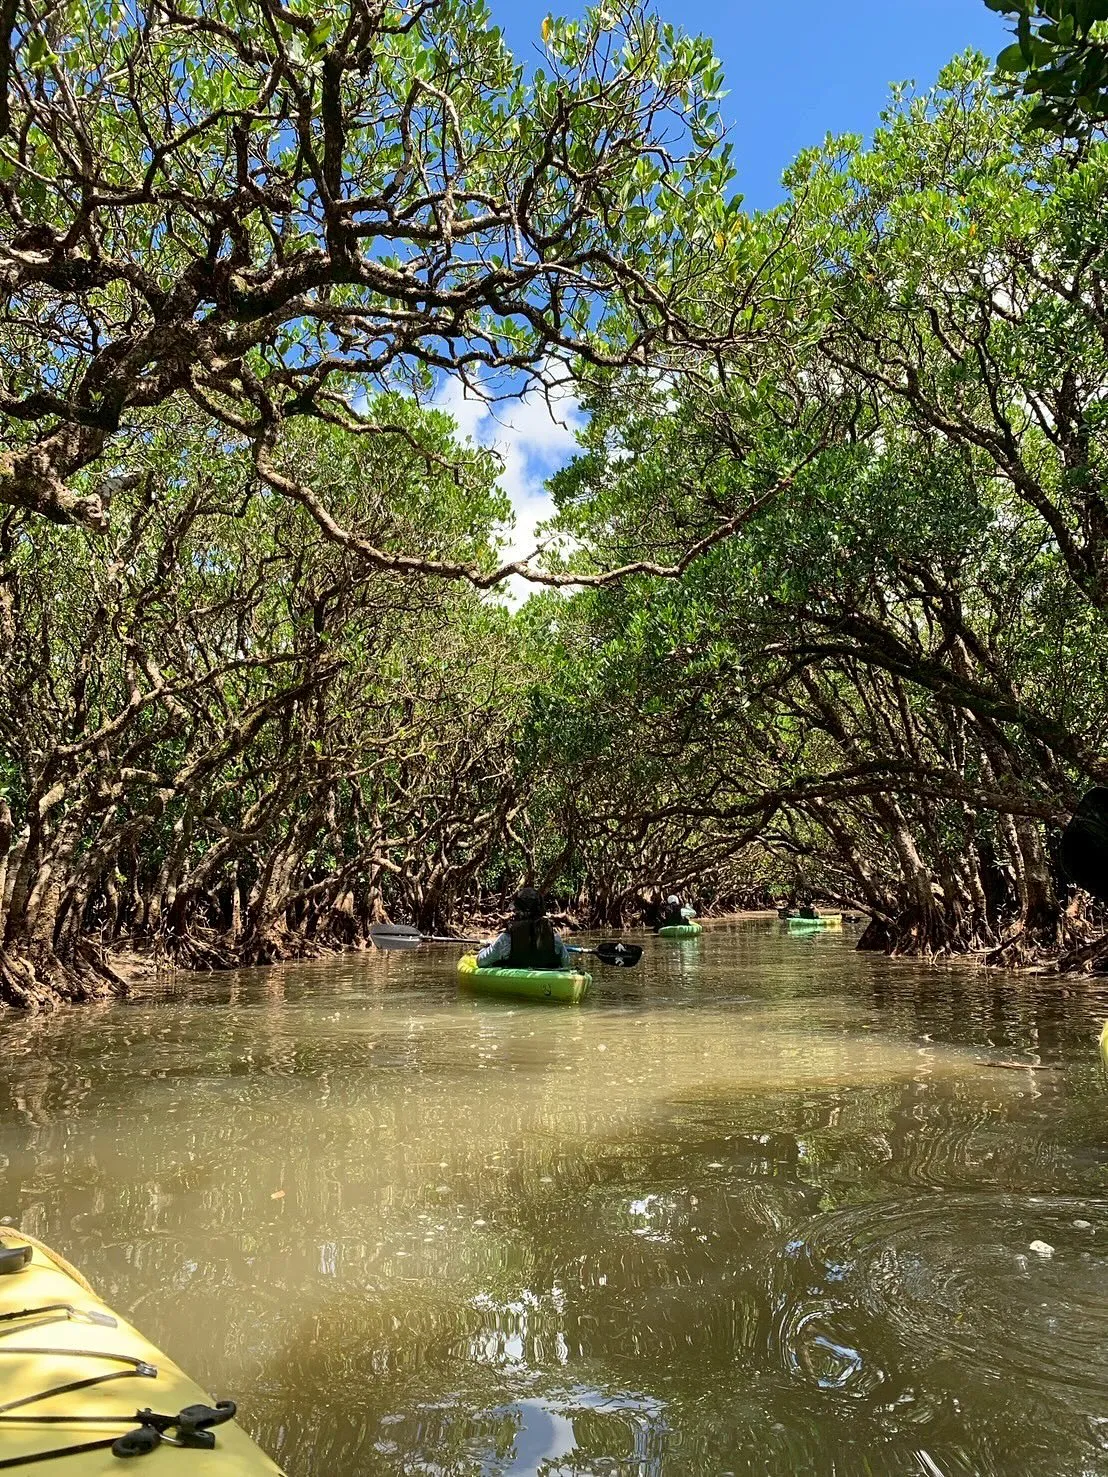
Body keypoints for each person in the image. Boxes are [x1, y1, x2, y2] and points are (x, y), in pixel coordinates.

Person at [476, 887, 574, 970]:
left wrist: (485, 948)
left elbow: (481, 961)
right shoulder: (553, 936)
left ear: (518, 910)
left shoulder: (506, 938)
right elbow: (566, 963)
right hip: (547, 979)